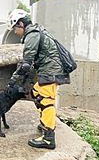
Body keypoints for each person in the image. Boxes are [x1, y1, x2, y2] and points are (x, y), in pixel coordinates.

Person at [7, 8, 68, 149]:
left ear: (21, 24)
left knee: (46, 101)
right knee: (35, 92)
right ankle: (44, 124)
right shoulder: (36, 31)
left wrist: (13, 79)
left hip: (50, 71)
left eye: (15, 28)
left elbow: (26, 64)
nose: (15, 32)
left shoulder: (32, 35)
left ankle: (48, 138)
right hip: (49, 70)